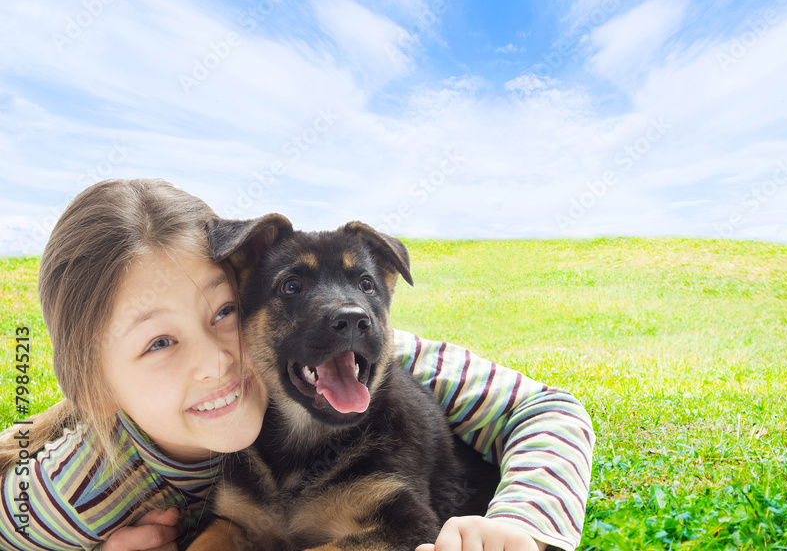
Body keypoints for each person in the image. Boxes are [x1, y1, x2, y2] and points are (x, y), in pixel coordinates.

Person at [0, 179, 593, 551]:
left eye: (223, 311)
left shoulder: (387, 360)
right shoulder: (72, 492)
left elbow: (549, 410)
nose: (217, 362)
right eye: (159, 342)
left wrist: (523, 521)